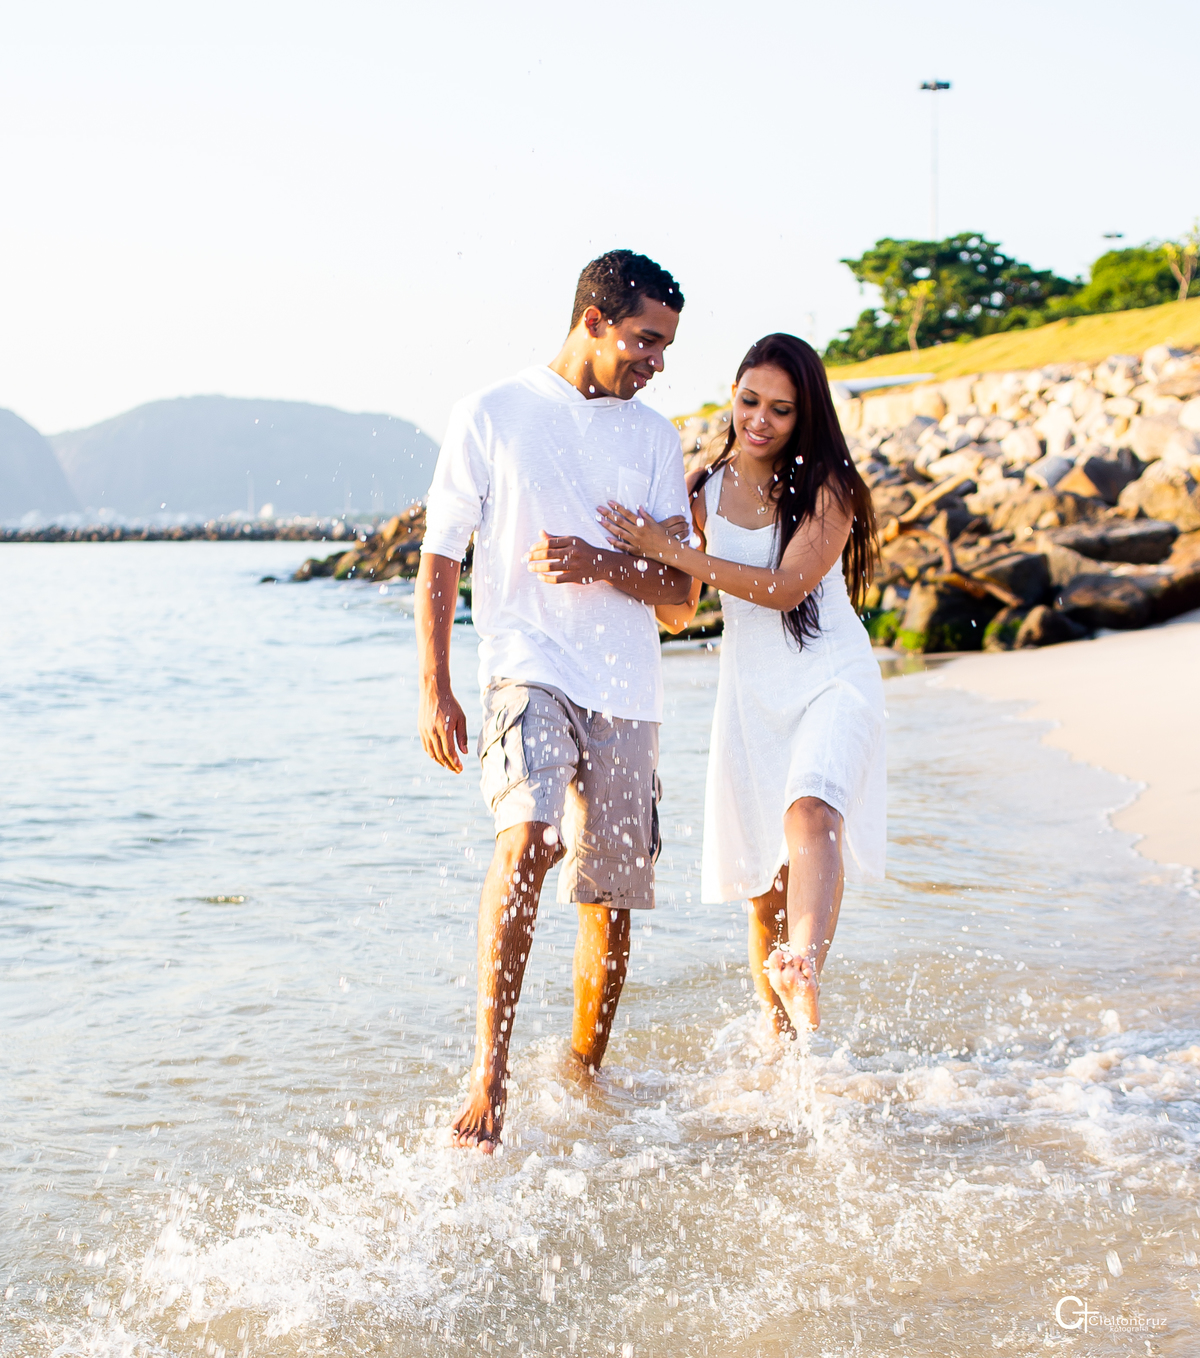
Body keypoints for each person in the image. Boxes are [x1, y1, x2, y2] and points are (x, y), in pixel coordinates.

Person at [416, 250, 692, 1152]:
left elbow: (683, 600)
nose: (657, 361)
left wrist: (602, 563)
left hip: (627, 687)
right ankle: (488, 1074)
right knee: (528, 839)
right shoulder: (491, 413)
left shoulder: (654, 437)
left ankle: (583, 1076)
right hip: (526, 663)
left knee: (607, 898)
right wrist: (436, 685)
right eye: (647, 340)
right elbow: (441, 556)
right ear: (595, 319)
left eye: (666, 346)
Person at [599, 332, 885, 1035]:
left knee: (811, 813)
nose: (758, 419)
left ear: (804, 416)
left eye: (780, 410)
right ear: (734, 393)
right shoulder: (701, 490)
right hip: (750, 693)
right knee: (764, 887)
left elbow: (787, 589)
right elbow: (679, 612)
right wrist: (610, 565)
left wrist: (671, 551)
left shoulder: (830, 489)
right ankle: (784, 1053)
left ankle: (805, 966)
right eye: (749, 399)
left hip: (830, 677)